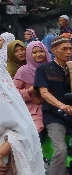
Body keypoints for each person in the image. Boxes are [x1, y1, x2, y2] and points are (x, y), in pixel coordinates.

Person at [34, 35, 72, 175]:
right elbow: (43, 92)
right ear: (54, 50)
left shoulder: (71, 68)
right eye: (64, 49)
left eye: (70, 49)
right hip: (54, 115)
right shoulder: (44, 69)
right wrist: (62, 106)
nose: (68, 52)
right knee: (60, 150)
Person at [13, 41, 51, 133]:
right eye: (34, 52)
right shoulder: (23, 71)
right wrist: (29, 91)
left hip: (53, 105)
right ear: (29, 54)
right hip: (33, 109)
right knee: (35, 133)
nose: (38, 54)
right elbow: (13, 93)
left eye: (41, 51)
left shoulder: (52, 68)